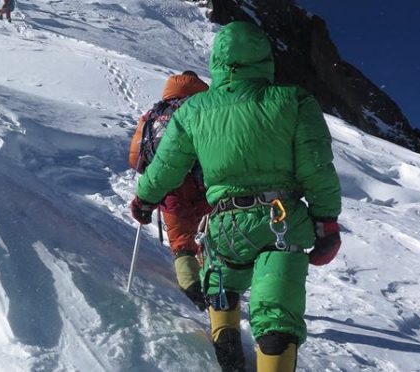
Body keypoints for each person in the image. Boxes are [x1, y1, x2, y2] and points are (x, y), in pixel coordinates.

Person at [130, 22, 342, 372]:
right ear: (264, 58)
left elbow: (166, 166)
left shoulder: (193, 110)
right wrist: (326, 222)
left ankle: (226, 339)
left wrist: (144, 200)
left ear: (217, 60)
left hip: (227, 224)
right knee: (277, 315)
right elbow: (316, 167)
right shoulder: (294, 100)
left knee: (222, 285)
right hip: (283, 222)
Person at [128, 71, 212, 311]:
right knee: (210, 236)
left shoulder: (153, 114)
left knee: (181, 240)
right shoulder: (204, 110)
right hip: (204, 184)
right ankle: (213, 285)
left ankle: (191, 286)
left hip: (168, 188)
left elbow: (136, 157)